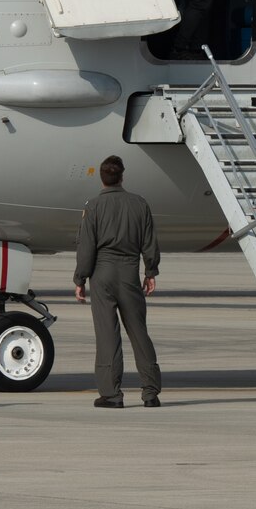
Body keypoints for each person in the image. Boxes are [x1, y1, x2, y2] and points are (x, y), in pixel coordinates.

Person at [74, 155, 162, 409]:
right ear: (122, 176)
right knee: (138, 332)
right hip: (129, 272)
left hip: (102, 274)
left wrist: (80, 278)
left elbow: (86, 247)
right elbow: (149, 241)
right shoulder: (139, 204)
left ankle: (112, 394)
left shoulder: (93, 206)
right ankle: (150, 393)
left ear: (102, 178)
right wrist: (151, 272)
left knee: (107, 335)